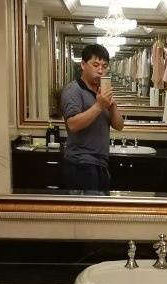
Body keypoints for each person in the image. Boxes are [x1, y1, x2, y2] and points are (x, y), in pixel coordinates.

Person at [60, 44, 124, 191]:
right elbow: (73, 124)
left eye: (104, 66)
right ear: (83, 65)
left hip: (100, 164)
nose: (100, 70)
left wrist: (112, 105)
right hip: (80, 164)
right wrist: (99, 105)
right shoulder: (73, 90)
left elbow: (119, 126)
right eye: (95, 65)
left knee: (101, 205)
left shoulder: (101, 93)